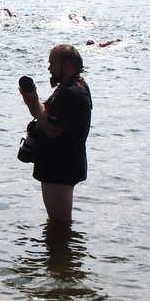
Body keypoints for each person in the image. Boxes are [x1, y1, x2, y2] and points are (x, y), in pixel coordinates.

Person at [19, 45, 92, 223]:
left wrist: (34, 101)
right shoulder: (68, 88)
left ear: (67, 66)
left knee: (60, 222)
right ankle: (60, 249)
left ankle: (61, 250)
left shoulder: (73, 93)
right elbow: (43, 115)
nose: (49, 68)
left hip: (61, 167)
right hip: (59, 165)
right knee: (56, 222)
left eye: (52, 63)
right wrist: (31, 100)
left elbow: (52, 129)